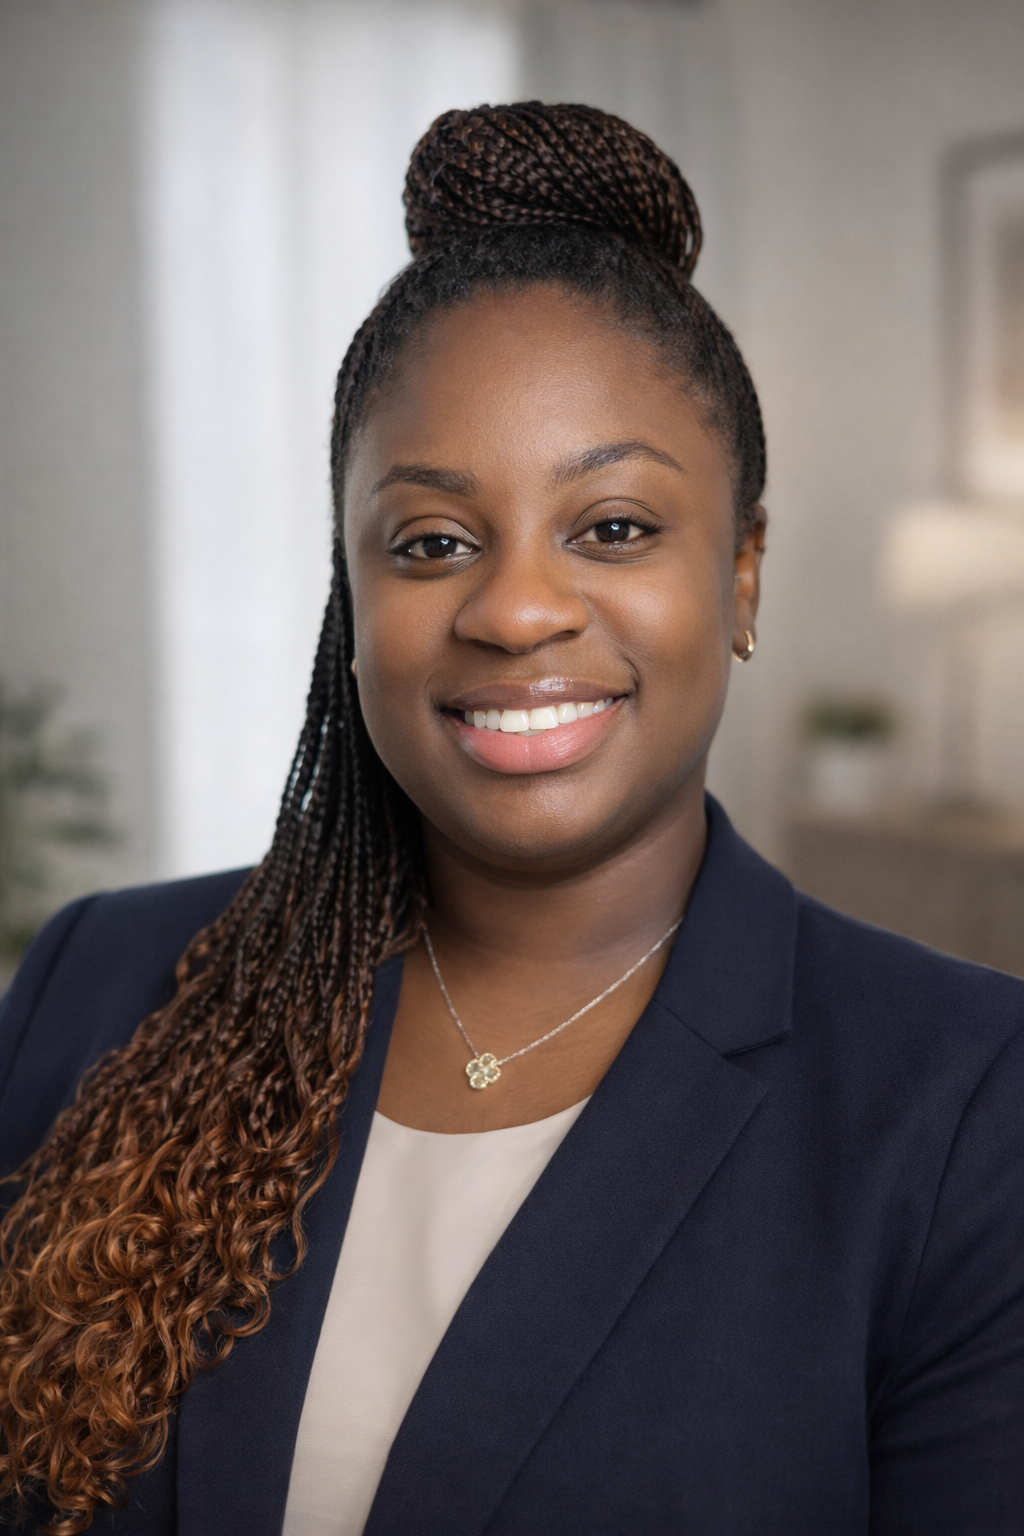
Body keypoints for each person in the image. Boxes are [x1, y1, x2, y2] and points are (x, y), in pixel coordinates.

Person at [1, 102, 1022, 1536]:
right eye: (432, 542)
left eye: (613, 527)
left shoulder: (968, 1107)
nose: (517, 608)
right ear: (352, 595)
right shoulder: (95, 988)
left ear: (741, 574)